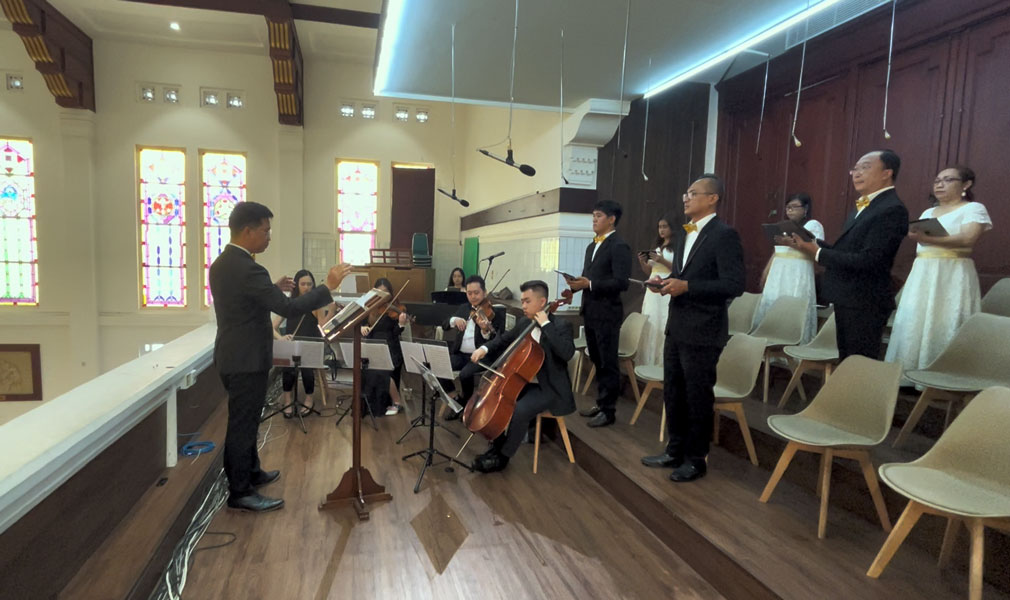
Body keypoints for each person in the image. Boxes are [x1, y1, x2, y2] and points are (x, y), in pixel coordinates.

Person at [210, 201, 351, 512]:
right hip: (246, 359)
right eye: (265, 231)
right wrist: (327, 286)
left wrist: (270, 288)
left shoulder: (222, 263)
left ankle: (252, 472)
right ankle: (240, 492)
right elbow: (288, 307)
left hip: (233, 354)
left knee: (247, 419)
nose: (269, 237)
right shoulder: (249, 269)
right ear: (248, 231)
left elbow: (243, 302)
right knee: (242, 425)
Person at [641, 174, 745, 483]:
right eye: (685, 193)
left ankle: (696, 459)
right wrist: (665, 283)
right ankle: (674, 450)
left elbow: (734, 284)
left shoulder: (724, 234)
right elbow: (683, 276)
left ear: (713, 198)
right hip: (677, 324)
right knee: (673, 391)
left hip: (703, 328)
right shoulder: (685, 234)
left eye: (693, 193)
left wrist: (687, 286)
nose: (686, 198)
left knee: (697, 395)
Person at [792, 150, 909, 360]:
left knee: (858, 363)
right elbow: (848, 252)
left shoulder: (891, 208)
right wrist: (811, 244)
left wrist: (818, 252)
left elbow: (871, 260)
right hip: (848, 295)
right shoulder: (864, 205)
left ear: (887, 173)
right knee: (847, 359)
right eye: (855, 169)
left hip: (866, 299)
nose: (857, 173)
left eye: (865, 167)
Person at [885, 166, 991, 375]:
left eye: (948, 180)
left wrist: (927, 238)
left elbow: (968, 238)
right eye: (937, 181)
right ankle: (907, 373)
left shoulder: (973, 208)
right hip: (923, 271)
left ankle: (944, 374)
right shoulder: (928, 212)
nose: (940, 185)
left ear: (966, 184)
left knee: (947, 319)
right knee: (915, 320)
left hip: (952, 272)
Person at [468, 280, 575, 473]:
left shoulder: (561, 326)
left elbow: (566, 353)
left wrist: (546, 325)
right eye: (523, 301)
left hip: (551, 387)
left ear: (542, 302)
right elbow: (504, 339)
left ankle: (503, 457)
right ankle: (497, 446)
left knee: (521, 409)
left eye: (527, 301)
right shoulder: (525, 322)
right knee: (502, 400)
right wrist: (484, 349)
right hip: (526, 381)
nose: (523, 305)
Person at [568, 200, 632, 428]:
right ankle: (601, 402)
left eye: (598, 216)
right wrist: (575, 286)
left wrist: (590, 284)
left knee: (608, 361)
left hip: (607, 312)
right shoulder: (591, 246)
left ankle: (609, 410)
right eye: (593, 216)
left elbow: (621, 282)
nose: (594, 220)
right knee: (597, 359)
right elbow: (589, 278)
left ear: (612, 219)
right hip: (591, 310)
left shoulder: (619, 246)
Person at [754, 193, 824, 343]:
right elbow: (777, 252)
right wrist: (766, 273)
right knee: (773, 309)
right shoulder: (783, 227)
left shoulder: (813, 225)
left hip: (797, 275)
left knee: (793, 310)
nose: (790, 211)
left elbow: (816, 252)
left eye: (794, 207)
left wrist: (792, 243)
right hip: (778, 274)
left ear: (805, 209)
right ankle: (769, 351)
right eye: (787, 207)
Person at [438, 274, 506, 421]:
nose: (473, 297)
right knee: (439, 366)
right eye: (469, 293)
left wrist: (485, 330)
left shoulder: (494, 313)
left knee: (465, 374)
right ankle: (456, 400)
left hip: (481, 357)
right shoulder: (464, 308)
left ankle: (466, 405)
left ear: (484, 292)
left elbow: (497, 340)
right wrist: (454, 320)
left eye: (476, 293)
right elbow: (444, 324)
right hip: (460, 354)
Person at [271, 269, 337, 417]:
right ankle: (287, 400)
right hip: (292, 346)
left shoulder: (316, 305)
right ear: (297, 286)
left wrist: (331, 312)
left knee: (307, 369)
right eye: (303, 284)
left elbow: (322, 328)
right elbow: (272, 327)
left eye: (309, 284)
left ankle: (309, 399)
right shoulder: (290, 305)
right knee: (287, 369)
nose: (306, 287)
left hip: (310, 345)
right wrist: (280, 338)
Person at [361, 278, 409, 416]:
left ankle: (397, 402)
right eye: (379, 292)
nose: (383, 296)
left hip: (390, 346)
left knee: (382, 370)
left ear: (391, 293)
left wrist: (401, 325)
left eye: (386, 292)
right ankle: (368, 404)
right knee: (366, 368)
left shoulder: (396, 308)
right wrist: (362, 327)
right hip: (372, 345)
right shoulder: (369, 307)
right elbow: (362, 323)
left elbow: (395, 334)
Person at [636, 214, 676, 366]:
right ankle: (647, 362)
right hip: (652, 287)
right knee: (651, 320)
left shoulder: (677, 247)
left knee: (663, 320)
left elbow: (678, 269)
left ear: (672, 227)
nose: (662, 230)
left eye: (665, 226)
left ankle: (662, 363)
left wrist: (662, 260)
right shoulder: (658, 247)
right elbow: (650, 271)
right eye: (659, 227)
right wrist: (643, 262)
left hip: (666, 286)